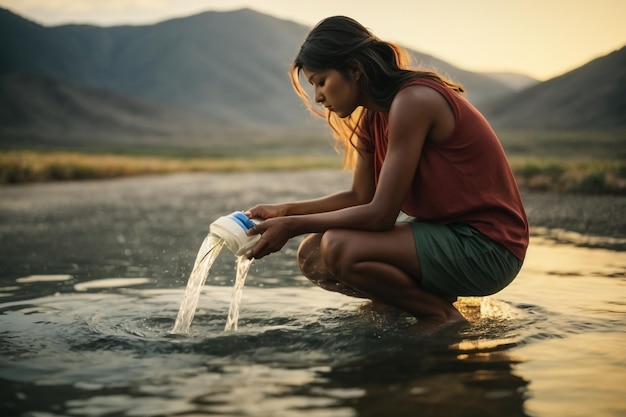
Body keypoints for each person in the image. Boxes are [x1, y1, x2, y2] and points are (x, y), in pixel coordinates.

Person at [244, 16, 529, 332]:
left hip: (488, 248)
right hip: (446, 232)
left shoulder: (414, 100)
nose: (318, 97)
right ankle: (400, 300)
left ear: (354, 70)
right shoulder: (371, 117)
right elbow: (360, 197)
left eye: (321, 81)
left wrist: (291, 225)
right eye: (313, 86)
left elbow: (379, 215)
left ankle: (440, 316)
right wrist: (284, 211)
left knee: (339, 247)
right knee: (312, 255)